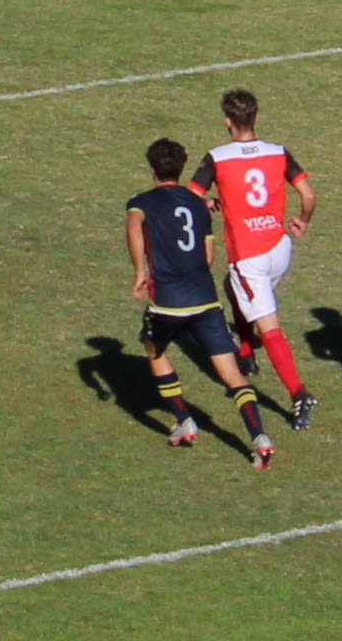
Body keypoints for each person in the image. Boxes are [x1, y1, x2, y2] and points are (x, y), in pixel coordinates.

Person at [127, 138, 276, 470]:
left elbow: (134, 226)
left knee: (154, 346)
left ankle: (184, 419)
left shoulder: (141, 202)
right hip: (206, 300)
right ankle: (260, 438)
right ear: (181, 169)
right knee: (232, 374)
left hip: (168, 300)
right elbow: (209, 257)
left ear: (152, 169)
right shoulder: (198, 204)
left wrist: (141, 271)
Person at [187, 89, 320, 431]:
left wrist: (207, 203)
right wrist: (303, 220)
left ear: (227, 122)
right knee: (234, 289)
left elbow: (188, 198)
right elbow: (308, 194)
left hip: (249, 257)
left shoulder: (217, 158)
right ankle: (246, 352)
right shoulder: (278, 152)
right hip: (279, 248)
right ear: (256, 118)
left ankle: (298, 393)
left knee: (268, 325)